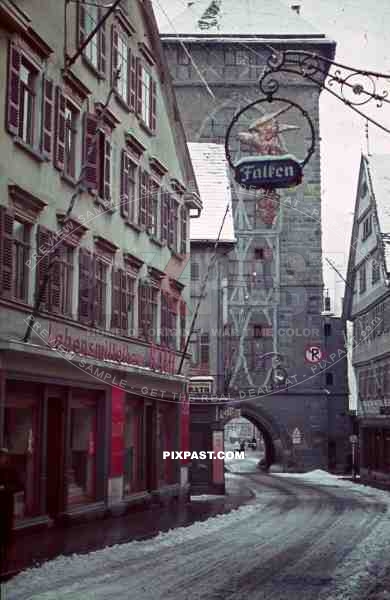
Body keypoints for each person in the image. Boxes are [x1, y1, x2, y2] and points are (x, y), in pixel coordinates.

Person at [0, 448, 23, 582]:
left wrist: (5, 488)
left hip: (6, 507)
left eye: (3, 457)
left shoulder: (11, 471)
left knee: (7, 533)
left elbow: (19, 486)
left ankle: (7, 561)